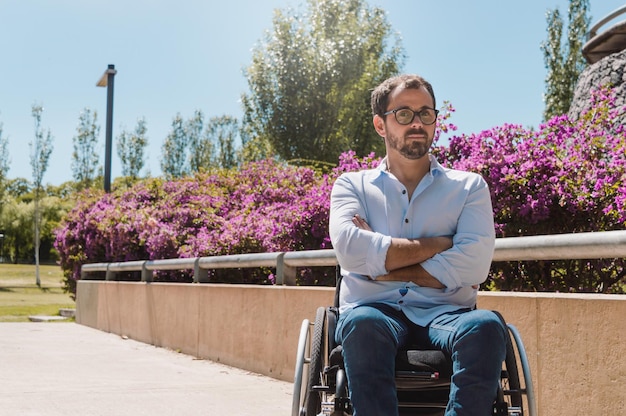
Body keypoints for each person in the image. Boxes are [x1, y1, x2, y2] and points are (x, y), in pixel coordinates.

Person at [328, 74, 505, 416]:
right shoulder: (352, 186)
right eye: (404, 114)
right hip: (374, 311)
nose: (417, 123)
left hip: (446, 314)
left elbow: (474, 265)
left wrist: (380, 267)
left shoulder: (468, 188)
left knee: (486, 326)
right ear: (381, 125)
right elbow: (350, 250)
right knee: (362, 324)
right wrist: (441, 244)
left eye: (426, 113)